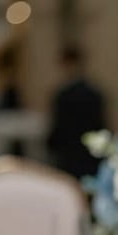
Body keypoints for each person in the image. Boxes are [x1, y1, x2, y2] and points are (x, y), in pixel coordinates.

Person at [46, 45, 107, 180]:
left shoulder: (63, 95)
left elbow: (59, 125)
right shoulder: (94, 93)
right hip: (89, 153)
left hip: (70, 153)